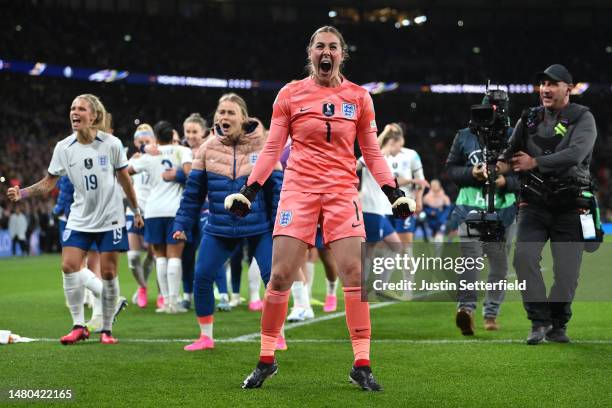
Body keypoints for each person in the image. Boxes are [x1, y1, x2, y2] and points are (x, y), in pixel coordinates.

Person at [225, 26, 414, 391]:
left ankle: (362, 364)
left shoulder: (359, 98)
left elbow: (371, 151)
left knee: (354, 274)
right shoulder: (290, 94)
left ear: (342, 54)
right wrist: (248, 190)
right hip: (299, 190)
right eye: (319, 46)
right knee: (280, 276)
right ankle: (266, 360)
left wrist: (394, 193)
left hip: (342, 191)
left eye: (333, 47)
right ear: (310, 53)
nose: (326, 52)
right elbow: (272, 149)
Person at [7, 93, 143, 345]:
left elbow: (125, 180)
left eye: (81, 109)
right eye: (72, 108)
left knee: (109, 272)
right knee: (68, 266)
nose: (75, 112)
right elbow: (49, 182)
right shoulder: (64, 147)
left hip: (111, 218)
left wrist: (135, 211)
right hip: (80, 216)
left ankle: (106, 330)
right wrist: (23, 192)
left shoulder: (111, 144)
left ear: (94, 116)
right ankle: (78, 325)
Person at [172, 93, 283, 351]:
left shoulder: (264, 146)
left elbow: (277, 190)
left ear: (244, 118)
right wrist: (181, 224)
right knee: (202, 276)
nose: (224, 117)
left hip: (259, 227)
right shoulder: (206, 148)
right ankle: (206, 336)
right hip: (220, 227)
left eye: (231, 112)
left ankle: (276, 334)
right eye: (221, 112)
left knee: (273, 279)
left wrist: (280, 225)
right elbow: (193, 194)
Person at [500, 64, 598, 344]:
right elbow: (509, 154)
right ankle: (538, 321)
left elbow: (577, 153)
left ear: (569, 88)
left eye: (553, 84)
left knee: (567, 272)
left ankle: (558, 323)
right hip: (534, 203)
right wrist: (497, 166)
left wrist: (536, 162)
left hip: (571, 204)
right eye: (543, 84)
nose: (545, 89)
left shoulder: (583, 117)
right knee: (523, 258)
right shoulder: (528, 118)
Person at [446, 91, 519, 335]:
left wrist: (505, 182)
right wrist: (472, 173)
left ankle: (491, 313)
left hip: (502, 211)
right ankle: (466, 310)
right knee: (470, 261)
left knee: (498, 266)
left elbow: (527, 175)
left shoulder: (515, 137)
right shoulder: (464, 136)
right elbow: (451, 170)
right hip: (470, 208)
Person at [129, 120, 192, 314]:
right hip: (175, 211)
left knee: (161, 257)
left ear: (156, 137)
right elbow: (190, 175)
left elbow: (127, 169)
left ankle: (164, 303)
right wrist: (179, 173)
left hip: (153, 211)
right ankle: (174, 302)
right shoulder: (182, 151)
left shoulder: (149, 156)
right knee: (175, 257)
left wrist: (146, 150)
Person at [126, 124, 156, 308]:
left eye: (148, 141)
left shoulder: (159, 158)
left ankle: (147, 290)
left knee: (152, 255)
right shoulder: (133, 161)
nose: (144, 144)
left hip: (153, 212)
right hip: (134, 211)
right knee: (133, 257)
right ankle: (142, 286)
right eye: (141, 141)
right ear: (136, 142)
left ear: (153, 140)